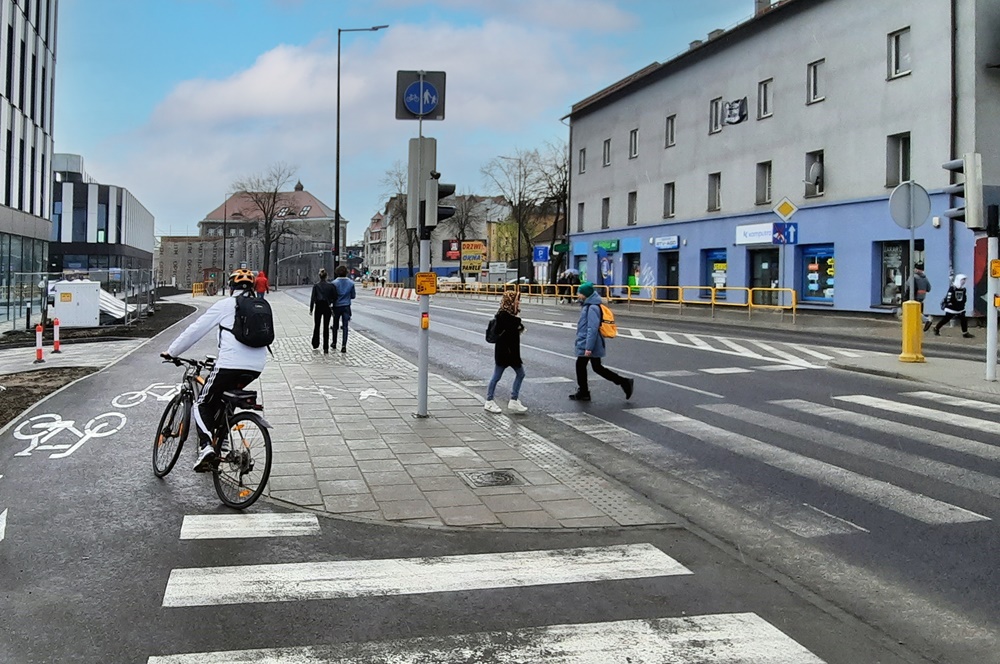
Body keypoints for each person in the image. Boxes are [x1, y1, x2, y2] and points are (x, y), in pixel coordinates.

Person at [161, 270, 267, 472]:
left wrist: (172, 352)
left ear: (230, 288)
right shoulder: (260, 307)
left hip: (229, 365)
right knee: (226, 398)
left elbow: (195, 330)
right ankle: (223, 442)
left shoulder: (225, 305)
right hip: (256, 367)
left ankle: (206, 448)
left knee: (201, 403)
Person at [569, 281, 634, 402]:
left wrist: (588, 347)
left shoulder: (592, 308)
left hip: (590, 343)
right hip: (589, 342)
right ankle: (624, 382)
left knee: (582, 365)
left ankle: (584, 392)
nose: (578, 294)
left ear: (586, 294)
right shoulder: (588, 305)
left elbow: (592, 329)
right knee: (596, 367)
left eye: (580, 292)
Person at [484, 290, 527, 414]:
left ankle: (513, 400)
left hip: (510, 353)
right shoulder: (504, 315)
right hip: (505, 353)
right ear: (510, 302)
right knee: (497, 377)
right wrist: (518, 324)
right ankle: (489, 401)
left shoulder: (509, 315)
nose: (518, 302)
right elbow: (510, 328)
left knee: (520, 374)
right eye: (516, 300)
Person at [933, 273, 974, 338]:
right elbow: (949, 296)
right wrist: (949, 303)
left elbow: (964, 297)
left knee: (964, 320)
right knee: (946, 319)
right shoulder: (953, 288)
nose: (963, 281)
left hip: (960, 308)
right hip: (952, 308)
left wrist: (963, 303)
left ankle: (965, 332)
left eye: (964, 280)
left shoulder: (963, 289)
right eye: (962, 280)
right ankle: (936, 328)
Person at [309, 268, 338, 353]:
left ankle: (315, 343)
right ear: (326, 276)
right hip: (327, 306)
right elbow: (335, 297)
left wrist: (311, 309)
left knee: (317, 325)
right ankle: (326, 347)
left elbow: (313, 298)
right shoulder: (331, 286)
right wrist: (331, 302)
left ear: (319, 276)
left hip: (318, 306)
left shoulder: (316, 286)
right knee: (326, 326)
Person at [331, 265, 357, 353]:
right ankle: (343, 345)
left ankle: (334, 343)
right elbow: (353, 296)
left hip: (336, 306)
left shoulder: (334, 283)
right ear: (347, 273)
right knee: (345, 326)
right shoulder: (351, 283)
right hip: (346, 306)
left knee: (335, 325)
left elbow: (332, 296)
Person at [905, 264, 932, 330]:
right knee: (917, 310)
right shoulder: (925, 278)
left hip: (913, 296)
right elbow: (929, 288)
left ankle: (927, 320)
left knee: (915, 311)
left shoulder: (913, 277)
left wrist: (906, 296)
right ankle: (917, 324)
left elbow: (909, 287)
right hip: (922, 297)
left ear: (916, 269)